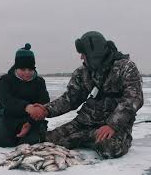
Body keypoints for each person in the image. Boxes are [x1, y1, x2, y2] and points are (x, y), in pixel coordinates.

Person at [31, 31, 144, 159]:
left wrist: (113, 124)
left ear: (94, 54)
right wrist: (46, 109)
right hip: (84, 122)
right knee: (47, 140)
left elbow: (133, 99)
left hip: (112, 125)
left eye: (83, 54)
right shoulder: (82, 72)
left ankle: (86, 138)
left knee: (110, 148)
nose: (81, 58)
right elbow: (70, 99)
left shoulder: (126, 68)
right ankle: (88, 137)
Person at [0, 43, 50, 147]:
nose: (27, 73)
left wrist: (30, 123)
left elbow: (44, 102)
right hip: (9, 117)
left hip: (32, 119)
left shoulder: (39, 81)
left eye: (30, 69)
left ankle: (33, 133)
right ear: (16, 68)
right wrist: (26, 107)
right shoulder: (5, 80)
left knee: (30, 142)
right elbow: (6, 100)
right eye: (23, 69)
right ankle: (1, 127)